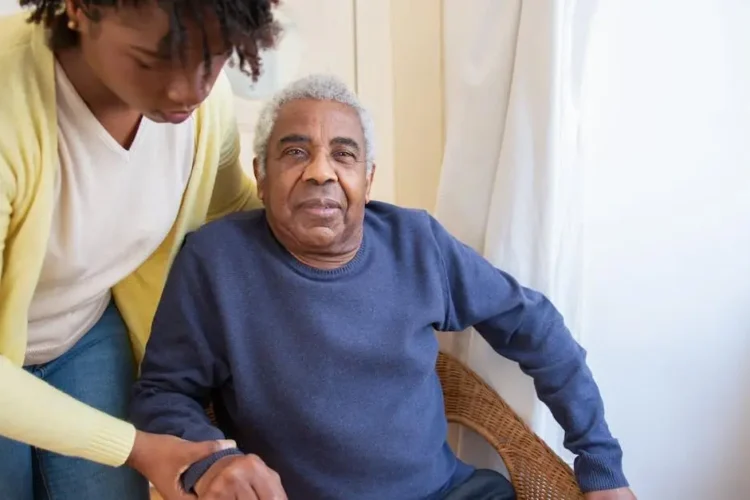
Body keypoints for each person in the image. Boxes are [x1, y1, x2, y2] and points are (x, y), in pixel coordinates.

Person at [130, 74, 638, 500]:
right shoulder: (215, 261)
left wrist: (601, 464)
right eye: (295, 152)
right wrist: (214, 463)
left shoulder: (417, 242)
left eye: (343, 154)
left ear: (368, 180)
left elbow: (535, 327)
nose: (320, 173)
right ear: (261, 176)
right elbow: (162, 393)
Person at [0, 0, 281, 498]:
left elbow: (232, 210)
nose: (187, 90)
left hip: (84, 333)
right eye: (151, 60)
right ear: (77, 9)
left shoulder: (203, 114)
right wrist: (133, 447)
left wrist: (359, 237)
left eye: (211, 59)